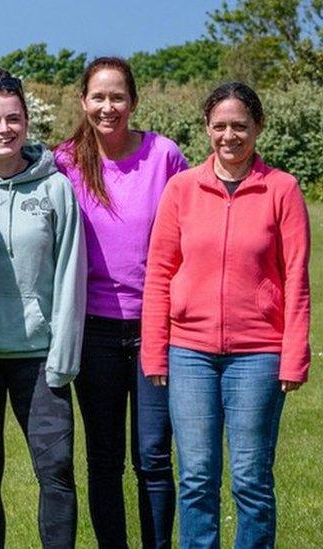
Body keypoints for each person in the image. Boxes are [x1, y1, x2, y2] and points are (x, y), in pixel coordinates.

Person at [141, 82, 310, 548]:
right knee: (196, 478)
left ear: (258, 127)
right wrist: (155, 352)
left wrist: (294, 355)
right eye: (220, 126)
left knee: (251, 479)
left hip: (258, 356)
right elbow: (159, 273)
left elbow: (296, 277)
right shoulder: (181, 189)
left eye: (240, 125)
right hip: (189, 354)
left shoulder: (283, 189)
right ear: (207, 129)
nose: (230, 135)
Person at [54, 56, 189, 548]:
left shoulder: (165, 155)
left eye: (118, 97)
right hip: (94, 332)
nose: (108, 107)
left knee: (153, 456)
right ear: (83, 101)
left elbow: (190, 228)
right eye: (98, 97)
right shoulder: (65, 161)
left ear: (133, 100)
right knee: (104, 459)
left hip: (158, 329)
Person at [0, 70, 86, 549]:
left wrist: (63, 356)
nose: (3, 129)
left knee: (55, 472)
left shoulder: (56, 189)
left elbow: (71, 272)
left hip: (40, 359)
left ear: (28, 122)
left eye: (13, 118)